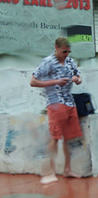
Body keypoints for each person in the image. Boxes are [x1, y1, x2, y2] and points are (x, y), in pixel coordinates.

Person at [30, 37, 83, 184]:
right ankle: (49, 172)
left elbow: (78, 76)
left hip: (69, 102)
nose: (66, 54)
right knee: (55, 137)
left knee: (69, 137)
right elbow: (33, 82)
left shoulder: (70, 61)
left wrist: (77, 79)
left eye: (68, 51)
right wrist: (55, 82)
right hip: (55, 103)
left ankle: (67, 169)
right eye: (64, 51)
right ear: (57, 48)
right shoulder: (48, 62)